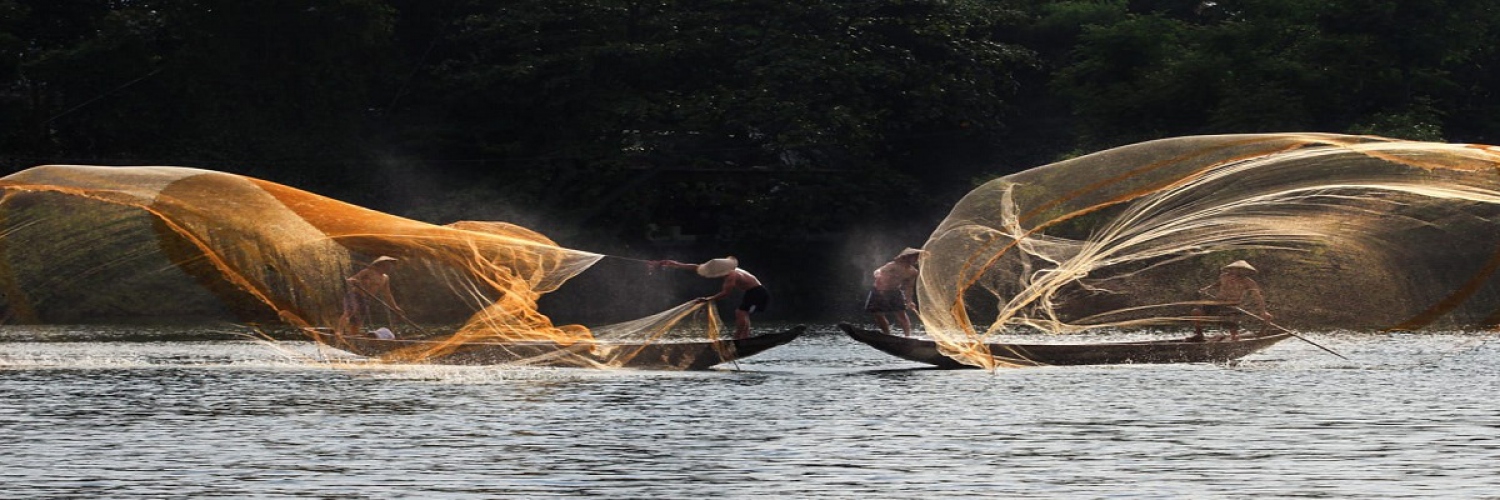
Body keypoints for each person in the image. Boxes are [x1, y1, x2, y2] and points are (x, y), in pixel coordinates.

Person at [650, 256, 768, 339]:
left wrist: (708, 299)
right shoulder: (729, 272)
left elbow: (725, 293)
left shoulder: (732, 276)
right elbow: (696, 267)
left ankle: (741, 338)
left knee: (741, 312)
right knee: (742, 312)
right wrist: (676, 265)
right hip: (751, 292)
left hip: (758, 293)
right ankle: (742, 338)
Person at [1188, 260, 1271, 341]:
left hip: (1232, 305)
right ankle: (1199, 335)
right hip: (1217, 303)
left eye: (1242, 270)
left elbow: (1257, 296)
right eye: (1236, 269)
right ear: (1232, 269)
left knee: (1233, 330)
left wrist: (1263, 312)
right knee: (1196, 312)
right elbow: (1218, 283)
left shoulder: (1248, 282)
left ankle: (1235, 340)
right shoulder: (1224, 276)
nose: (1239, 271)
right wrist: (1206, 288)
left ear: (1245, 271)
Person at [338, 255, 402, 338]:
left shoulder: (385, 278)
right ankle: (338, 332)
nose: (390, 267)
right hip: (355, 295)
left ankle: (353, 337)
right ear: (381, 265)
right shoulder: (368, 271)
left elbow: (387, 294)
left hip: (366, 299)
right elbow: (351, 279)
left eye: (391, 265)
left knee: (358, 320)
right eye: (388, 265)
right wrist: (354, 281)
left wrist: (395, 307)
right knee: (349, 312)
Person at [867, 248, 923, 336]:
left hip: (894, 291)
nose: (916, 260)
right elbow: (879, 271)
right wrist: (878, 274)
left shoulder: (912, 272)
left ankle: (907, 336)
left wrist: (909, 300)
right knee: (877, 314)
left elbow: (909, 287)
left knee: (901, 314)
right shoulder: (893, 265)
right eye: (914, 257)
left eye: (917, 258)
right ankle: (887, 334)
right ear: (907, 257)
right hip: (879, 290)